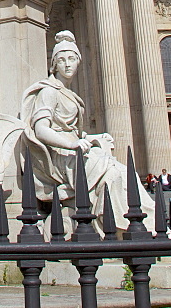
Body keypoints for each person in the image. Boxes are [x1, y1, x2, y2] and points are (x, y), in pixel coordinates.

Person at [21, 31, 155, 234]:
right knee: (113, 174)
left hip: (72, 150)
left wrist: (93, 138)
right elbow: (40, 130)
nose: (67, 65)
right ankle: (121, 228)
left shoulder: (68, 94)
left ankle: (139, 225)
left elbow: (72, 132)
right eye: (62, 60)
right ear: (54, 64)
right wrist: (72, 144)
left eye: (72, 59)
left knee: (123, 173)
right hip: (60, 155)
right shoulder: (48, 91)